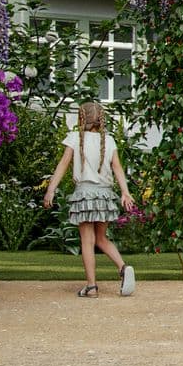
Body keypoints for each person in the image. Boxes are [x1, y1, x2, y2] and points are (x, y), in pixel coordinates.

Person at [43, 101, 136, 298]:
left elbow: (63, 165)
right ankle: (123, 267)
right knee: (101, 238)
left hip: (85, 194)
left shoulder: (75, 138)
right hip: (104, 195)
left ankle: (92, 287)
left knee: (87, 240)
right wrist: (125, 192)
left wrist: (51, 190)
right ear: (100, 119)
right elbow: (118, 168)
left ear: (82, 118)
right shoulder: (109, 140)